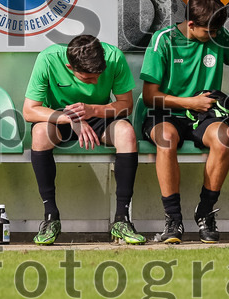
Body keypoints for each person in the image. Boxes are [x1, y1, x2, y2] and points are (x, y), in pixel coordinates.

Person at [140, 0, 229, 244]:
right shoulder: (163, 40)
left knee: (224, 137)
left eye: (217, 31)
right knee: (166, 137)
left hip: (204, 113)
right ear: (191, 24)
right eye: (208, 32)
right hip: (165, 112)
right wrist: (189, 101)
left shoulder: (219, 35)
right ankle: (173, 219)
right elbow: (150, 96)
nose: (214, 36)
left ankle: (205, 212)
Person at [23, 34, 144, 245]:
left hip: (99, 116)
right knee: (40, 134)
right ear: (70, 67)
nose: (95, 81)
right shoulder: (48, 58)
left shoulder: (114, 56)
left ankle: (122, 219)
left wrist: (92, 110)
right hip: (58, 118)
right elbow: (30, 111)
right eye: (88, 78)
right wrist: (71, 119)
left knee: (127, 133)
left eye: (99, 75)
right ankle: (51, 217)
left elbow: (126, 105)